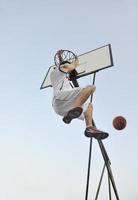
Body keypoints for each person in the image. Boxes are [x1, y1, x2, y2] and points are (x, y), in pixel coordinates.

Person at [50, 50, 109, 140]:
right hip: (60, 98)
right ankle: (75, 108)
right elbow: (70, 66)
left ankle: (89, 128)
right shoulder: (59, 69)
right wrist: (76, 60)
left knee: (88, 105)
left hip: (61, 108)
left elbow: (66, 67)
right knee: (91, 88)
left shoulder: (62, 77)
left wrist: (60, 57)